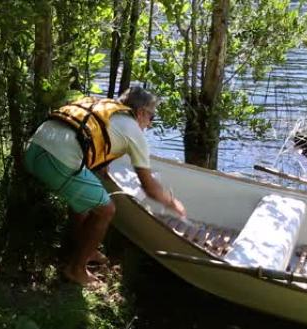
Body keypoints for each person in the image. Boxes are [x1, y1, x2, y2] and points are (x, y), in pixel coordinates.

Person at [23, 86, 187, 285]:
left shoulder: (104, 108)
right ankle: (76, 269)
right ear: (142, 112)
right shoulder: (134, 131)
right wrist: (172, 203)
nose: (150, 125)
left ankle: (84, 250)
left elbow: (93, 140)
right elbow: (149, 187)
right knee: (106, 210)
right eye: (151, 118)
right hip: (56, 161)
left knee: (84, 198)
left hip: (32, 150)